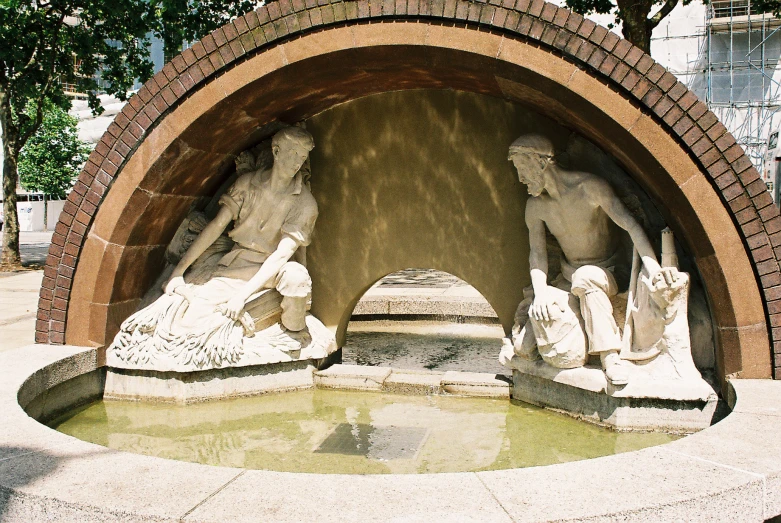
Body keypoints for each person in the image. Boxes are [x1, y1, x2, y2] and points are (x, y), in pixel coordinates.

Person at [109, 126, 319, 368]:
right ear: (276, 150)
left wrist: (242, 297)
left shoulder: (305, 203)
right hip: (235, 264)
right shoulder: (247, 184)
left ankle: (294, 334)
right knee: (188, 321)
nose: (296, 162)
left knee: (296, 277)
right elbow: (215, 227)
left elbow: (281, 255)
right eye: (293, 153)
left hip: (272, 270)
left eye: (302, 157)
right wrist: (179, 272)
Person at [503, 134, 681, 385]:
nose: (520, 178)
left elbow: (631, 226)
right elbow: (538, 254)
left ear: (540, 162)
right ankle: (523, 344)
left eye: (522, 168)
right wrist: (541, 292)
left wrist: (653, 267)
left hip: (606, 271)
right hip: (568, 277)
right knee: (527, 345)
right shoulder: (535, 206)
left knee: (586, 277)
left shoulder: (590, 188)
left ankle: (610, 357)